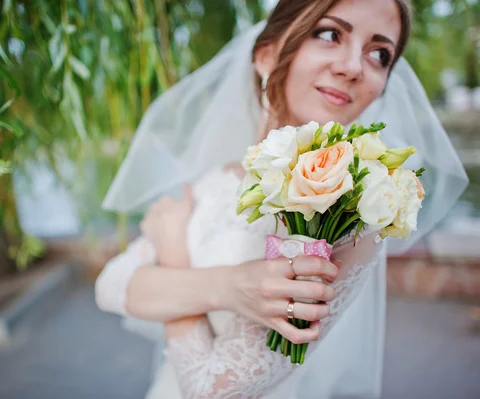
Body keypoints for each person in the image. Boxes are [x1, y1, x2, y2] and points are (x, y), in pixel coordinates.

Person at [96, 0, 468, 398]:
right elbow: (111, 286)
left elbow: (214, 392)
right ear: (266, 55)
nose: (354, 67)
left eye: (379, 54)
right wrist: (225, 286)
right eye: (330, 34)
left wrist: (174, 260)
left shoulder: (353, 214)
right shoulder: (219, 180)